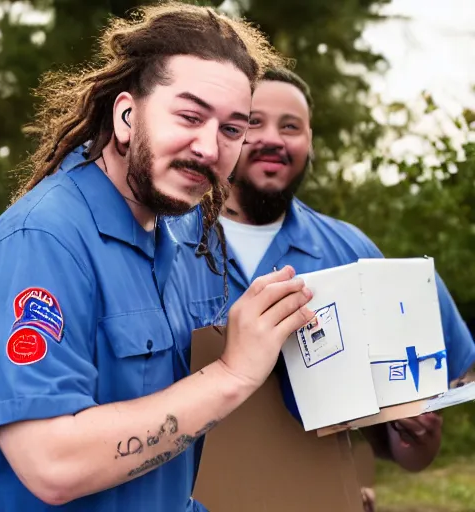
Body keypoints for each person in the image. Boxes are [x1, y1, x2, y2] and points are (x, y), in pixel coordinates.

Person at [0, 5, 317, 511]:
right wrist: (232, 374)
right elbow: (52, 464)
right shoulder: (40, 242)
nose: (209, 146)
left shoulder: (179, 241)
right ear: (126, 115)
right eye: (189, 115)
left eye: (231, 129)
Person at [167, 66, 475, 511]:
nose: (273, 138)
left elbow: (408, 450)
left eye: (290, 126)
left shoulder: (355, 255)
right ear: (227, 133)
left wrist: (415, 433)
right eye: (253, 122)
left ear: (309, 142)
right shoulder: (163, 244)